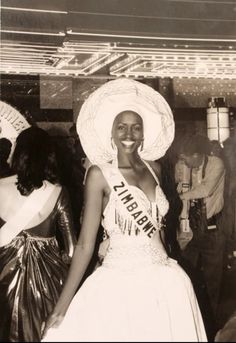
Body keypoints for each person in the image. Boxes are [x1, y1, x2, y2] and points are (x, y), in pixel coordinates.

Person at [42, 78, 207, 342]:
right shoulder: (99, 174)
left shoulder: (155, 169)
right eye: (121, 127)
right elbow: (85, 245)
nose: (128, 135)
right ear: (111, 132)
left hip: (163, 282)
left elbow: (158, 227)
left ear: (144, 133)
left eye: (135, 128)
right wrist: (62, 306)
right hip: (119, 281)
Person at [0, 126, 76, 342]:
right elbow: (71, 251)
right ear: (49, 156)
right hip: (48, 287)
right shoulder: (58, 192)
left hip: (3, 284)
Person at [177, 134, 225, 339]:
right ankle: (189, 320)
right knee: (185, 274)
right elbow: (180, 186)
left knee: (212, 281)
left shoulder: (217, 164)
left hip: (213, 228)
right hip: (191, 228)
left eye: (186, 158)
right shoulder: (185, 166)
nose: (183, 162)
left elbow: (205, 189)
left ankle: (210, 326)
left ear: (197, 155)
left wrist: (180, 196)